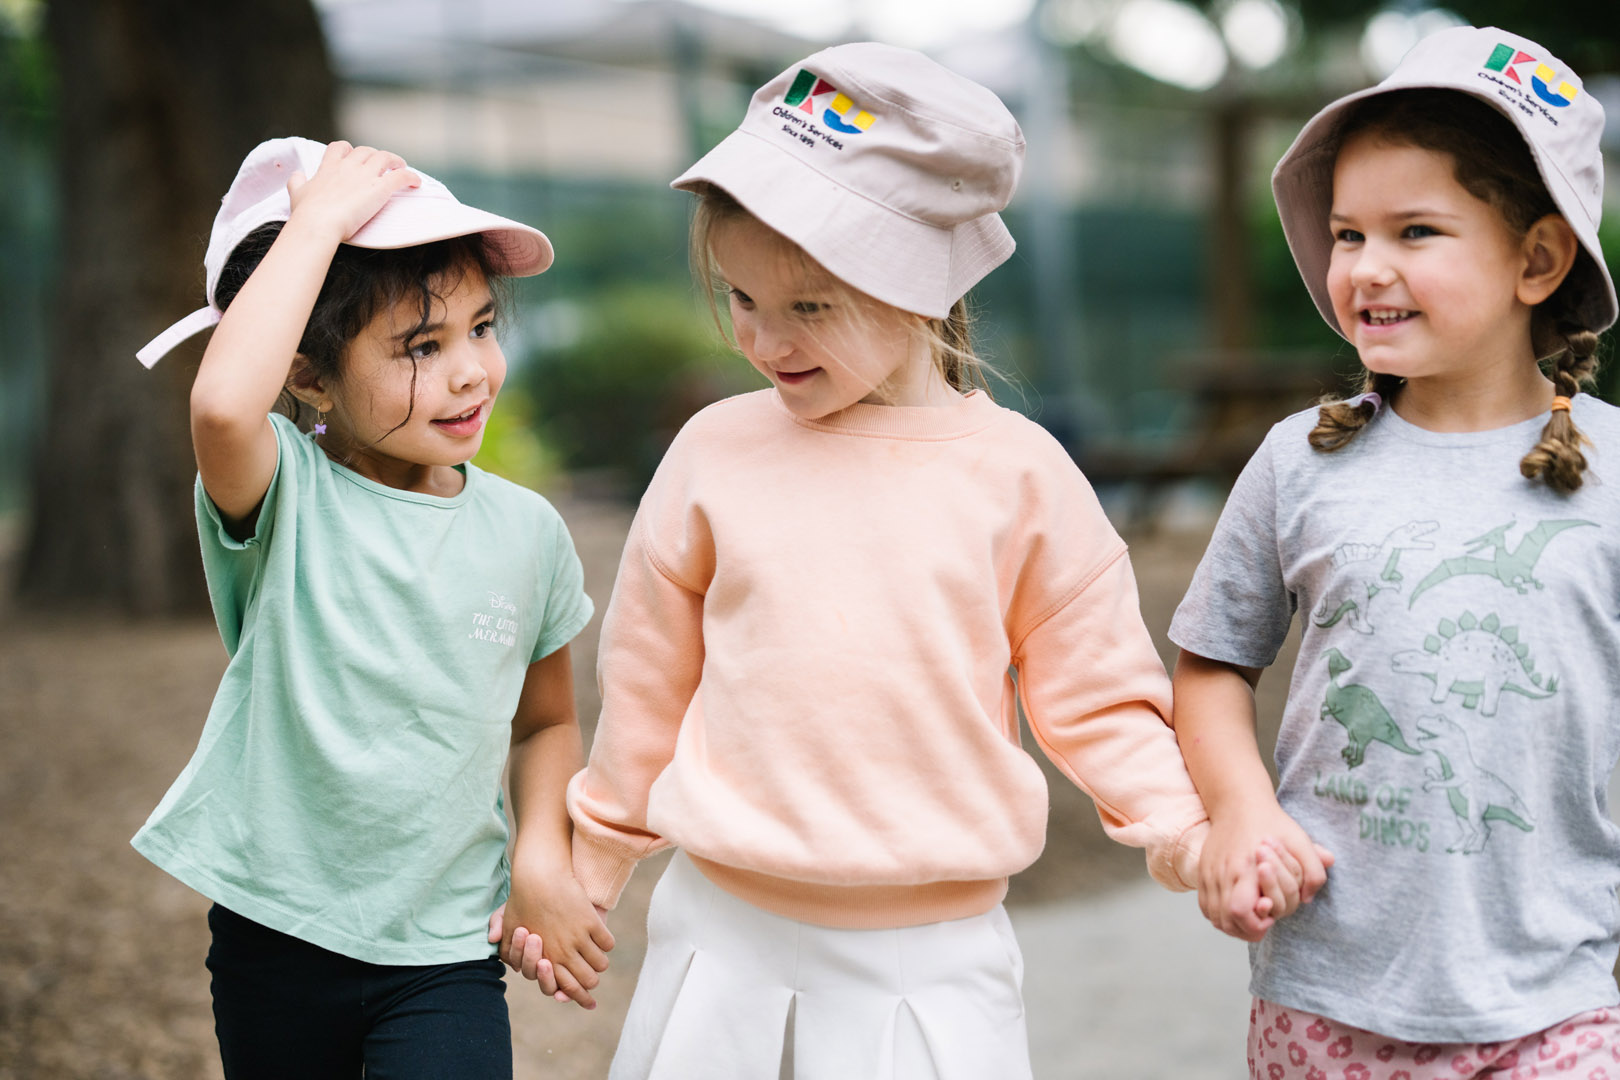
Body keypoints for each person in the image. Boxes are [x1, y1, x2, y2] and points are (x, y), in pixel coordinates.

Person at [538, 42, 1214, 1079]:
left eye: (809, 306)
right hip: (720, 933)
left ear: (922, 285)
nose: (766, 341)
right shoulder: (714, 451)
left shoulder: (1020, 476)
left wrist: (1182, 830)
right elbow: (647, 679)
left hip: (928, 965)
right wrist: (594, 859)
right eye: (741, 298)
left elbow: (1100, 695)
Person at [1170, 25, 1620, 1078]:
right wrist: (1240, 813)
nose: (1366, 268)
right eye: (1347, 234)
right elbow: (1212, 662)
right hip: (1325, 997)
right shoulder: (1299, 462)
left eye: (1416, 230)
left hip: (1560, 1003)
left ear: (1537, 259)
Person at [130, 138, 611, 1079]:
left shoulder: (528, 534)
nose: (471, 371)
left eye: (481, 327)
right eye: (422, 346)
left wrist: (541, 861)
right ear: (310, 375)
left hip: (445, 951)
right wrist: (313, 225)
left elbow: (546, 721)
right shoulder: (285, 492)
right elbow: (222, 409)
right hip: (276, 937)